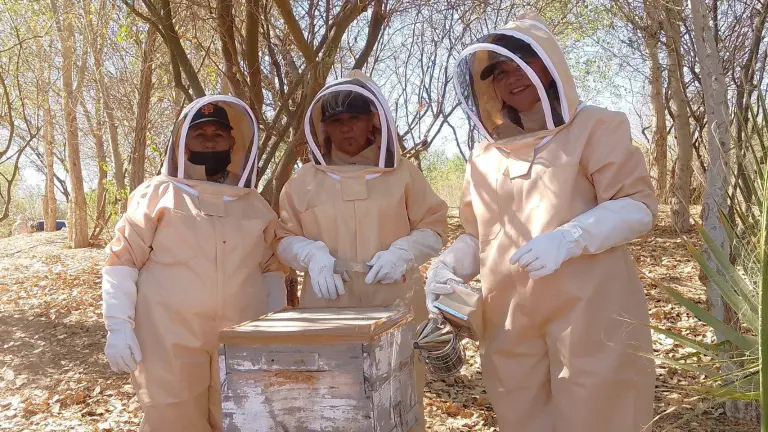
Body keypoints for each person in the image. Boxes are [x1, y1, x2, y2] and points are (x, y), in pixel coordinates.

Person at [425, 13, 658, 432]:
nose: (513, 79)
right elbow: (477, 236)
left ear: (549, 70)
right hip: (508, 319)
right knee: (521, 415)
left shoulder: (598, 126)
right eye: (500, 73)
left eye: (523, 65)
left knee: (600, 412)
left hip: (590, 311)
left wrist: (571, 238)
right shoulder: (485, 155)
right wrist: (447, 267)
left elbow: (636, 206)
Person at [275, 71, 448, 431]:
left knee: (400, 399)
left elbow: (434, 228)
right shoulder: (303, 181)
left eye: (354, 118)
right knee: (330, 399)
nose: (346, 129)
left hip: (396, 302)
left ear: (373, 121)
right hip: (326, 306)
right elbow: (282, 238)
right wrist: (310, 255)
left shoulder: (404, 174)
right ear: (323, 129)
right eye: (336, 121)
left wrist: (404, 251)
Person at [101, 96, 286, 432]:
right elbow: (122, 260)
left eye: (219, 134)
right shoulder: (156, 194)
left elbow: (271, 269)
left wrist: (277, 328)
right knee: (172, 420)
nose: (210, 140)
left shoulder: (254, 204)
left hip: (241, 335)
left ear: (233, 142)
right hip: (168, 340)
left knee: (242, 419)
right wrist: (118, 325)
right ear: (183, 143)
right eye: (201, 134)